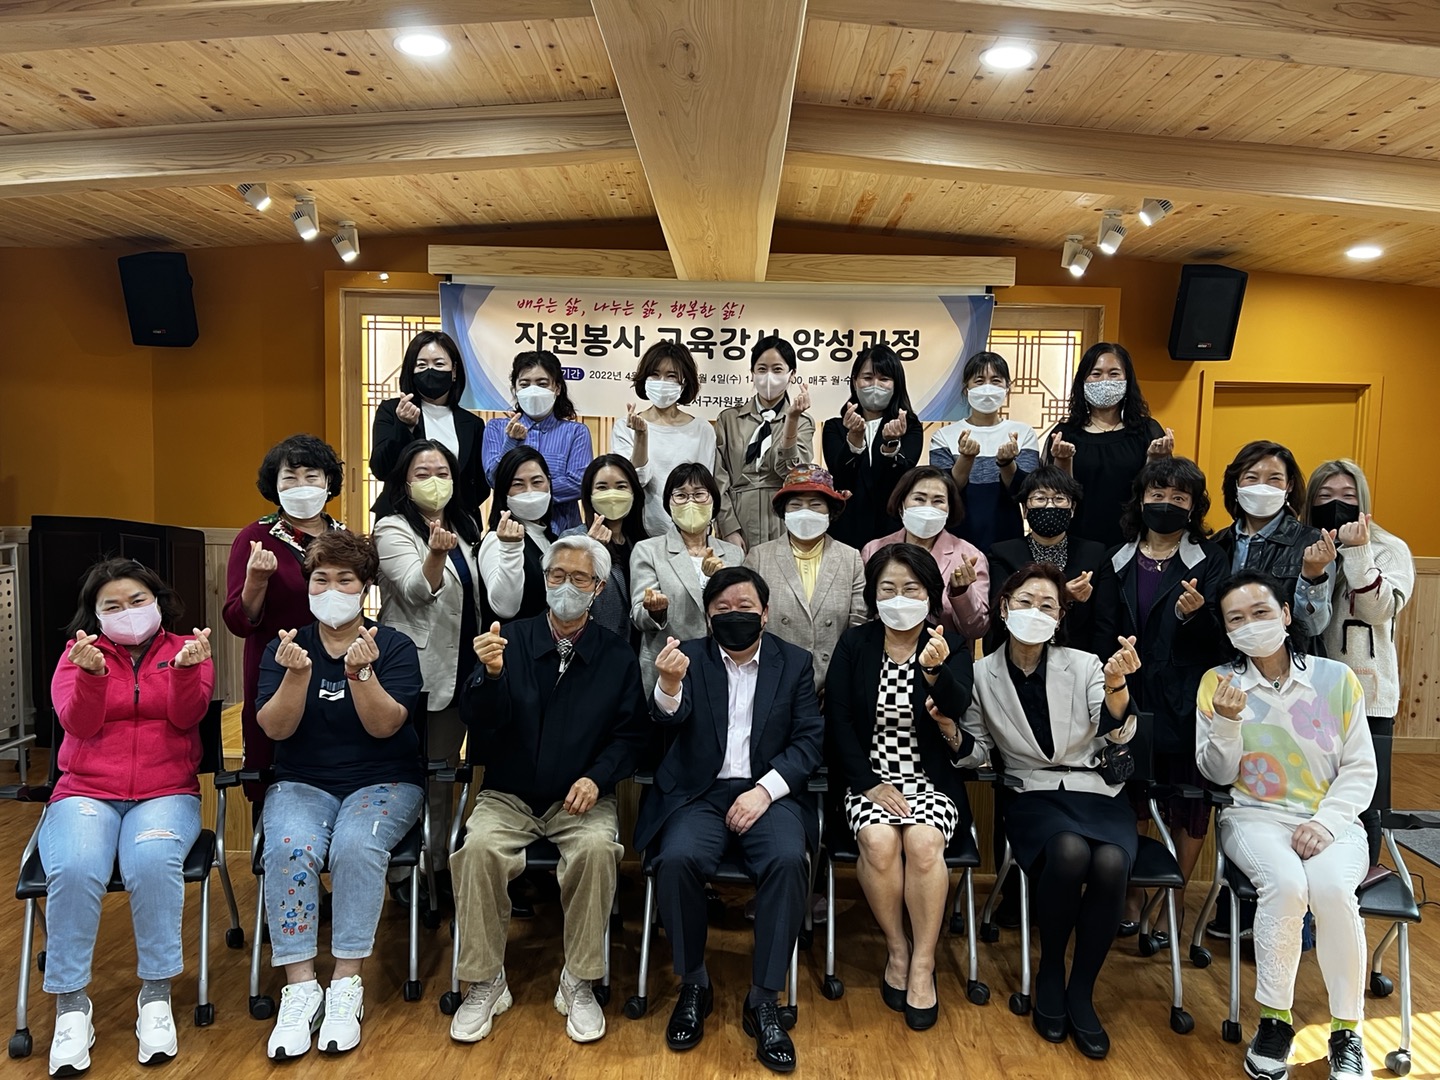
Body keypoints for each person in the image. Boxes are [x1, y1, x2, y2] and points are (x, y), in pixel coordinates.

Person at [447, 535, 649, 1046]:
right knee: (477, 851)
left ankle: (579, 981)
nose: (566, 586)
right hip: (508, 794)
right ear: (543, 579)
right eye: (557, 575)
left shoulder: (616, 655)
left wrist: (597, 777)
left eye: (579, 578)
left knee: (598, 851)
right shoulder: (507, 640)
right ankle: (485, 982)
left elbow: (630, 736)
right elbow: (477, 721)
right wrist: (490, 676)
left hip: (580, 798)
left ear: (598, 588)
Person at [636, 566, 824, 1073]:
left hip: (768, 793)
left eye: (745, 608)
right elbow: (667, 721)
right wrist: (668, 685)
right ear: (707, 616)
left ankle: (764, 998)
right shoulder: (688, 656)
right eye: (722, 609)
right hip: (700, 792)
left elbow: (809, 741)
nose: (734, 615)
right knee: (676, 859)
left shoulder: (794, 662)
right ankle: (694, 983)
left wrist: (765, 791)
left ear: (765, 613)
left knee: (788, 860)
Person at [957, 563, 1142, 1060]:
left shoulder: (1085, 664)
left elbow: (1118, 733)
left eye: (1047, 606)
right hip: (1032, 792)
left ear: (1060, 617)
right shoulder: (980, 674)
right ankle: (1051, 971)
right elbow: (977, 750)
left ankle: (1082, 989)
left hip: (1096, 790)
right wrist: (952, 736)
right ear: (1003, 608)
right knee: (1068, 851)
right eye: (1025, 602)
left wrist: (1118, 687)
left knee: (1110, 861)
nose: (1035, 612)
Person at [1196, 571, 1377, 1080]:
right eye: (1236, 619)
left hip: (1331, 817)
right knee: (1287, 884)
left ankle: (1348, 1031)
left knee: (1334, 892)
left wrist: (1327, 822)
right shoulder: (1217, 684)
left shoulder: (1336, 679)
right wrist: (1227, 722)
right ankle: (1275, 1021)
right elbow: (1217, 774)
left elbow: (1360, 768)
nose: (1250, 624)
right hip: (1253, 815)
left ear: (1285, 614)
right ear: (1227, 631)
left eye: (1260, 612)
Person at [254, 530, 424, 1060]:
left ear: (365, 587)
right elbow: (274, 729)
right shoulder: (285, 647)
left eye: (345, 580)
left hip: (385, 780)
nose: (331, 590)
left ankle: (346, 984)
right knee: (288, 847)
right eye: (320, 579)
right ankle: (300, 988)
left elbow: (386, 726)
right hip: (302, 780)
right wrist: (296, 677)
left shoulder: (393, 646)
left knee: (355, 846)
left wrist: (360, 672)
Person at [41, 559, 215, 1076]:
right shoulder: (78, 655)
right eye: (112, 605)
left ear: (158, 601)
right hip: (85, 792)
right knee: (75, 866)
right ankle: (72, 1005)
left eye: (138, 600)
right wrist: (92, 677)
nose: (128, 612)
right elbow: (77, 723)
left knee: (153, 860)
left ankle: (156, 996)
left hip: (166, 792)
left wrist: (185, 672)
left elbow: (188, 717)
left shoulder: (189, 648)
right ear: (94, 615)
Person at [825, 543, 975, 1030]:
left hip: (929, 779)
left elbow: (957, 707)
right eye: (887, 588)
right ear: (872, 594)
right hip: (868, 778)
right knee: (879, 841)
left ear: (930, 594)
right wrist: (868, 783)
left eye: (911, 589)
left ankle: (924, 964)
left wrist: (934, 671)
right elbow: (839, 722)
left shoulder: (949, 643)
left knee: (924, 843)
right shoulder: (855, 644)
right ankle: (897, 948)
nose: (899, 598)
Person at [1092, 456, 1229, 935]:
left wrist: (1197, 616)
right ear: (1141, 499)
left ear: (1194, 507)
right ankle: (1132, 892)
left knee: (1187, 800)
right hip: (1127, 693)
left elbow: (1224, 641)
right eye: (1158, 494)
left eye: (1179, 497)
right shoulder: (1115, 558)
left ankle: (1174, 897)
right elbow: (1102, 629)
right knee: (1128, 792)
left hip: (1186, 699)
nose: (1166, 503)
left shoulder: (1210, 560)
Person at [373, 439, 484, 883]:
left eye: (442, 473)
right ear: (404, 482)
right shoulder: (392, 528)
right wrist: (436, 554)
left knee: (443, 774)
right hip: (414, 672)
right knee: (407, 775)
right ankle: (403, 875)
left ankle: (436, 867)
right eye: (422, 474)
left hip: (461, 667)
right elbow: (416, 591)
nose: (434, 482)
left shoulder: (466, 524)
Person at [1307, 459, 1415, 866]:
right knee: (1311, 794)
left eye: (1348, 496)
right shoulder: (1305, 543)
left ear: (1363, 501)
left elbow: (1376, 610)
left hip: (1367, 694)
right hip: (1309, 691)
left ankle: (1361, 881)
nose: (1337, 504)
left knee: (1363, 800)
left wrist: (1358, 550)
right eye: (1325, 496)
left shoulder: (1390, 549)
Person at [223, 434, 345, 792]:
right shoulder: (255, 537)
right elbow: (238, 620)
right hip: (274, 668)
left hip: (334, 663)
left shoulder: (344, 538)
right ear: (274, 487)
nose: (302, 485)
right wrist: (256, 581)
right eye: (290, 478)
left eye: (312, 476)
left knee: (335, 756)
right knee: (273, 763)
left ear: (328, 482)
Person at [743, 463, 866, 695]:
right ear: (784, 511)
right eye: (796, 505)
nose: (805, 511)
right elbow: (749, 620)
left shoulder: (850, 558)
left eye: (816, 504)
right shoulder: (759, 557)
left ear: (830, 511)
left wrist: (841, 678)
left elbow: (858, 624)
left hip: (833, 682)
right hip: (772, 679)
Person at [1042, 342, 1174, 547]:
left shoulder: (1147, 430)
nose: (1105, 381)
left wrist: (1156, 460)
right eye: (1096, 374)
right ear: (1083, 381)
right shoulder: (1065, 433)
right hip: (1078, 540)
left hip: (1134, 540)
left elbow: (1158, 492)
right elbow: (1056, 494)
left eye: (1114, 374)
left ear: (1127, 380)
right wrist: (1062, 460)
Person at [630, 463, 745, 695]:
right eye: (681, 495)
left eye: (699, 494)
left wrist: (718, 580)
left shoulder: (733, 554)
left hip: (722, 665)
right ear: (669, 504)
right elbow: (639, 616)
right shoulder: (648, 550)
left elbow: (741, 611)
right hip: (667, 665)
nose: (690, 502)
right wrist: (655, 611)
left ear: (713, 502)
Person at [1213, 440, 1334, 641]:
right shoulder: (1217, 544)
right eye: (1251, 478)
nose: (1262, 487)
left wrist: (1313, 576)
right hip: (1225, 656)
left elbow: (1313, 627)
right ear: (1236, 484)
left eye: (1274, 478)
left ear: (1289, 485)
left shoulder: (1313, 543)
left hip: (1287, 656)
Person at [368, 330, 489, 523]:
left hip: (456, 522)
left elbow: (480, 485)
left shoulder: (472, 424)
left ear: (454, 371)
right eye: (421, 365)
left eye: (439, 364)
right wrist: (404, 426)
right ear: (411, 371)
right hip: (401, 519)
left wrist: (455, 510)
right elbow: (381, 469)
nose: (430, 371)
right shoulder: (391, 410)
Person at [986, 465, 1106, 655]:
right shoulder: (1002, 553)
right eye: (1040, 498)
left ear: (1072, 509)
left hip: (1078, 656)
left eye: (1059, 499)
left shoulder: (1095, 554)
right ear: (1025, 509)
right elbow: (999, 615)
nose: (1050, 506)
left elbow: (1104, 622)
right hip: (1018, 653)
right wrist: (1063, 596)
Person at [861, 466, 989, 644]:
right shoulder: (874, 550)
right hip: (883, 650)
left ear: (949, 508)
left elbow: (977, 629)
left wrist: (962, 593)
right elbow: (864, 614)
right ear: (901, 504)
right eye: (919, 499)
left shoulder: (969, 556)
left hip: (946, 653)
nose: (928, 508)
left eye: (938, 501)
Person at [928, 351, 1040, 553]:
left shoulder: (1023, 433)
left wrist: (1007, 463)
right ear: (966, 389)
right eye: (979, 381)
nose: (987, 387)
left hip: (1008, 539)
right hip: (956, 539)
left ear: (1007, 388)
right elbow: (946, 491)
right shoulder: (944, 436)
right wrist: (966, 458)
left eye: (995, 381)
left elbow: (1025, 492)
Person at [713, 335, 815, 552]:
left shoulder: (803, 422)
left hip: (783, 519)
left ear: (792, 374)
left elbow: (793, 473)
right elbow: (718, 478)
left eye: (777, 369)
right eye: (762, 369)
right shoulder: (728, 419)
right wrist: (728, 527)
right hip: (739, 518)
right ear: (752, 373)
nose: (769, 376)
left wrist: (792, 420)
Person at [610, 341, 718, 540]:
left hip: (689, 532)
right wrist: (641, 436)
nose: (662, 382)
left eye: (671, 376)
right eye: (655, 374)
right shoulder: (625, 426)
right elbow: (635, 482)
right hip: (638, 533)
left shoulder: (702, 430)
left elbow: (705, 487)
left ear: (684, 382)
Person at [822, 344, 923, 550]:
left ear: (896, 384)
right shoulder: (835, 427)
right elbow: (841, 477)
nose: (875, 385)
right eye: (867, 378)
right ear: (855, 382)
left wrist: (890, 444)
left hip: (892, 530)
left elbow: (901, 479)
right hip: (845, 531)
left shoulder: (910, 426)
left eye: (884, 379)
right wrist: (854, 439)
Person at [480, 349, 593, 534]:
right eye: (525, 384)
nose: (533, 391)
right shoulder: (496, 428)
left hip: (563, 532)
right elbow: (494, 480)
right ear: (515, 389)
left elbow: (579, 483)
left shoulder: (576, 432)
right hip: (510, 531)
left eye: (542, 384)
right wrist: (511, 442)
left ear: (557, 388)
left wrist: (525, 492)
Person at [562, 453, 650, 643]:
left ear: (633, 492)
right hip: (595, 647)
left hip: (639, 648)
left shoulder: (641, 543)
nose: (612, 495)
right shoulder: (573, 540)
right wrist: (590, 550)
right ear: (589, 495)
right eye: (602, 487)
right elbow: (565, 602)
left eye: (621, 487)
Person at [479, 446, 557, 625]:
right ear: (504, 492)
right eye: (518, 485)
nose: (530, 491)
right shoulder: (497, 540)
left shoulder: (552, 540)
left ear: (549, 483)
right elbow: (505, 608)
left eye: (537, 482)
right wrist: (510, 549)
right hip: (511, 640)